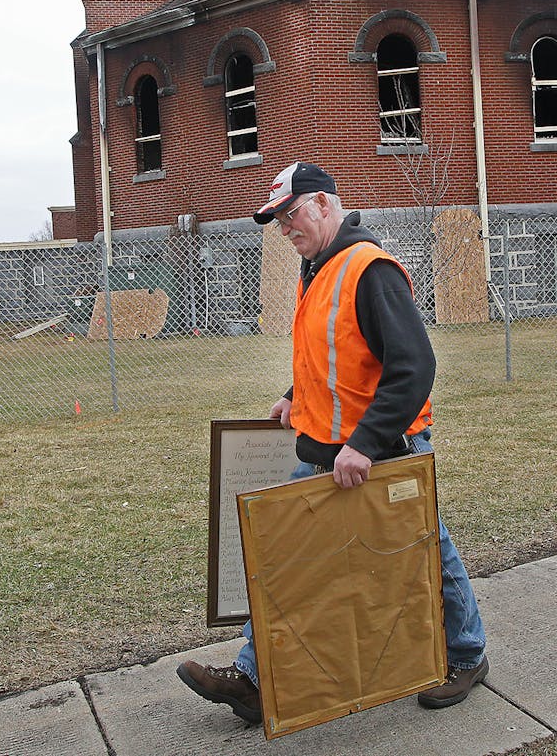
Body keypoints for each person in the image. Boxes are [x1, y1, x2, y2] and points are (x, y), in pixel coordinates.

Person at [177, 161, 488, 724]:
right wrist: (294, 394)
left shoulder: (371, 270)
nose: (285, 229)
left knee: (426, 553)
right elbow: (336, 351)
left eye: (290, 215)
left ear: (322, 204)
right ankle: (254, 677)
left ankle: (467, 655)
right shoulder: (317, 267)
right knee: (287, 559)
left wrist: (366, 444)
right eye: (277, 222)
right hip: (324, 449)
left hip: (386, 452)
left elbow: (414, 367)